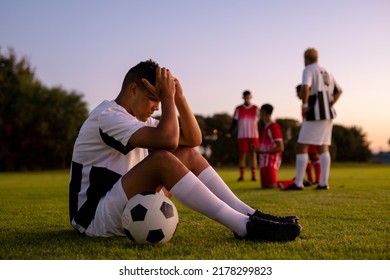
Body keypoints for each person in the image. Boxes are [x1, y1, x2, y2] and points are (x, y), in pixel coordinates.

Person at [69, 60, 301, 242]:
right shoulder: (108, 115)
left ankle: (249, 214)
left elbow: (193, 139)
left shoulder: (138, 121)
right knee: (161, 159)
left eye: (160, 100)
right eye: (153, 98)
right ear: (132, 90)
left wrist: (179, 97)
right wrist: (168, 97)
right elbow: (168, 140)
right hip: (94, 217)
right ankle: (243, 227)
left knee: (187, 153)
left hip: (123, 201)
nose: (157, 106)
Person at [284, 48, 342, 191]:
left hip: (314, 114)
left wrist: (304, 105)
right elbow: (339, 90)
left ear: (306, 59)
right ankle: (323, 183)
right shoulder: (327, 71)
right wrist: (329, 104)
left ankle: (298, 183)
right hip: (328, 114)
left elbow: (305, 87)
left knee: (301, 146)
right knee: (323, 146)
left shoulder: (308, 69)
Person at [226, 90, 260, 182]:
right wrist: (230, 132)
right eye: (245, 97)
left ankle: (254, 176)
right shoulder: (238, 108)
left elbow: (262, 121)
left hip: (254, 136)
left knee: (253, 155)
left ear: (251, 97)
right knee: (242, 156)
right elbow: (234, 122)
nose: (247, 98)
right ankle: (242, 176)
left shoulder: (256, 108)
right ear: (243, 97)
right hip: (242, 136)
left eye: (248, 97)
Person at [252, 104, 284, 189]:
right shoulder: (266, 127)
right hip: (264, 163)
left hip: (271, 162)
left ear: (264, 112)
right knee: (265, 186)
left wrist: (263, 152)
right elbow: (266, 146)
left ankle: (295, 182)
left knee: (272, 186)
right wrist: (257, 149)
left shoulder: (273, 126)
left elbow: (280, 147)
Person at [296, 85, 321, 186]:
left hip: (313, 132)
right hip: (308, 130)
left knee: (313, 155)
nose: (296, 95)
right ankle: (311, 179)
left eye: (297, 92)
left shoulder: (311, 101)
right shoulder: (304, 103)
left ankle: (318, 180)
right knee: (307, 155)